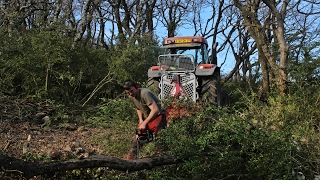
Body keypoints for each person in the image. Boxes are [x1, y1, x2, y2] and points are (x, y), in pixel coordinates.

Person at [123, 79, 167, 160]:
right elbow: (138, 108)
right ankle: (130, 161)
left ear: (136, 86)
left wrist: (145, 123)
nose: (130, 94)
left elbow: (155, 110)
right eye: (128, 93)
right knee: (137, 139)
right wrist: (141, 120)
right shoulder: (132, 97)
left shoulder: (145, 93)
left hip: (158, 116)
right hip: (147, 117)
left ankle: (161, 160)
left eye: (132, 91)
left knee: (159, 139)